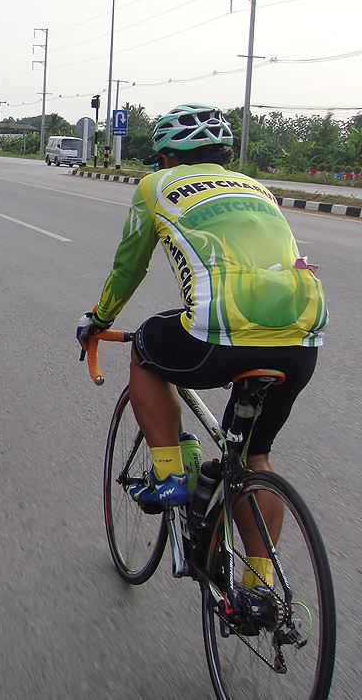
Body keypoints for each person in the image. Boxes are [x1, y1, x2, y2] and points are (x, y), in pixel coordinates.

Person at [76, 102, 327, 591]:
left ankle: (171, 474)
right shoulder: (257, 188)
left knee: (146, 346)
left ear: (167, 157)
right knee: (254, 459)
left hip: (220, 331)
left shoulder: (155, 186)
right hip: (302, 333)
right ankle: (259, 591)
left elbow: (129, 267)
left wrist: (99, 320)